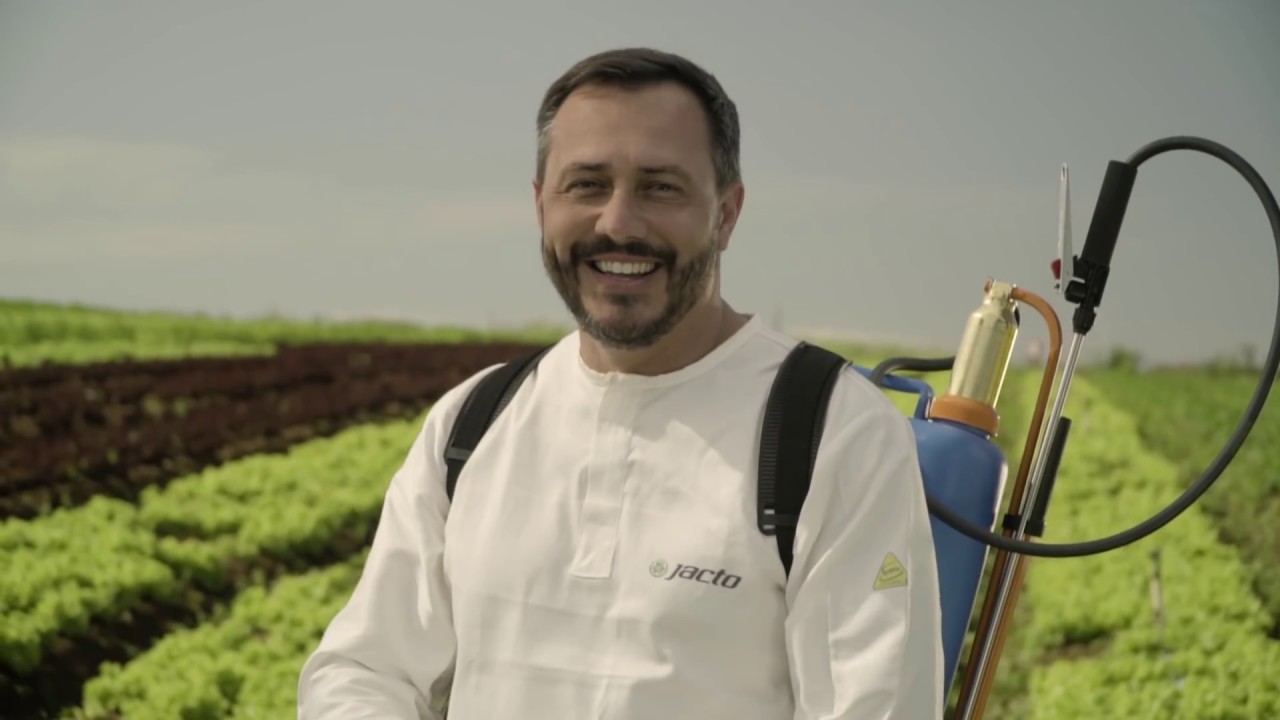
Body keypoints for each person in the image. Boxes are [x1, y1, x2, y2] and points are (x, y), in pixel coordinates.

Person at [297, 47, 944, 719]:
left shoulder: (834, 433)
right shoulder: (474, 421)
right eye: (586, 185)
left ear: (726, 213)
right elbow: (366, 670)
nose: (618, 223)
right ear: (540, 204)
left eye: (660, 187)